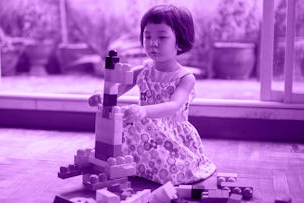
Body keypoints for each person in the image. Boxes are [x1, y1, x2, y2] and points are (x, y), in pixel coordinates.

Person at [90, 4, 216, 185]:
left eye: (162, 37)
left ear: (179, 41)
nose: (152, 43)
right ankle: (134, 167)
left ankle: (150, 169)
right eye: (147, 36)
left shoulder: (185, 78)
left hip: (171, 135)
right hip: (141, 132)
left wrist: (144, 111)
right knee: (111, 151)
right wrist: (101, 96)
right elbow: (115, 89)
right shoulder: (143, 71)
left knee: (175, 171)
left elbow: (173, 106)